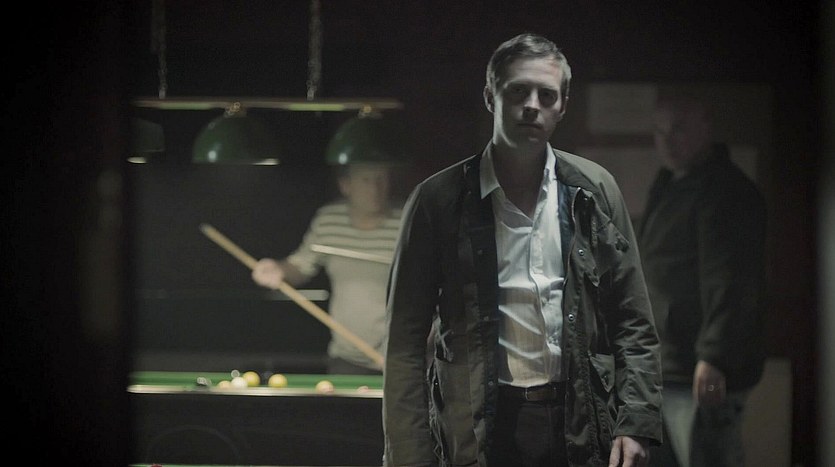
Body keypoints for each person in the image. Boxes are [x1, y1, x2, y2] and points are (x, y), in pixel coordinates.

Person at [382, 33, 663, 467]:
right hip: (481, 426)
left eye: (546, 95)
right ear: (490, 97)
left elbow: (633, 319)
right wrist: (409, 455)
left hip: (578, 419)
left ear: (562, 106)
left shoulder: (593, 190)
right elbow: (404, 340)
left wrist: (636, 421)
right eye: (518, 91)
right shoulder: (438, 200)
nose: (532, 105)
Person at [637, 95, 767, 467]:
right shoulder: (670, 185)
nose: (667, 141)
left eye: (678, 129)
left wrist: (714, 356)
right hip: (670, 363)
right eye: (659, 131)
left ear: (706, 127)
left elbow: (732, 281)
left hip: (700, 367)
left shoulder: (724, 190)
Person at [251, 115, 405, 375]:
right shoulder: (329, 220)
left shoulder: (407, 220)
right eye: (366, 180)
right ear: (345, 185)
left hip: (401, 359)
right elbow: (300, 267)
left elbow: (434, 291)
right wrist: (278, 270)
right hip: (345, 358)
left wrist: (413, 349)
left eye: (381, 178)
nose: (376, 188)